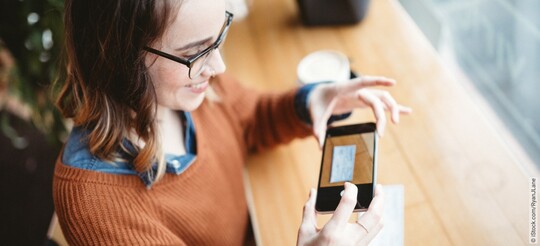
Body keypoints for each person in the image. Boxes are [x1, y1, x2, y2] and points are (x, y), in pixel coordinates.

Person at [53, 0, 412, 245]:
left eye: (220, 35)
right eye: (194, 52)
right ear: (117, 57)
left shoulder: (187, 87)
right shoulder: (96, 207)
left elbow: (250, 118)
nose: (219, 67)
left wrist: (310, 102)